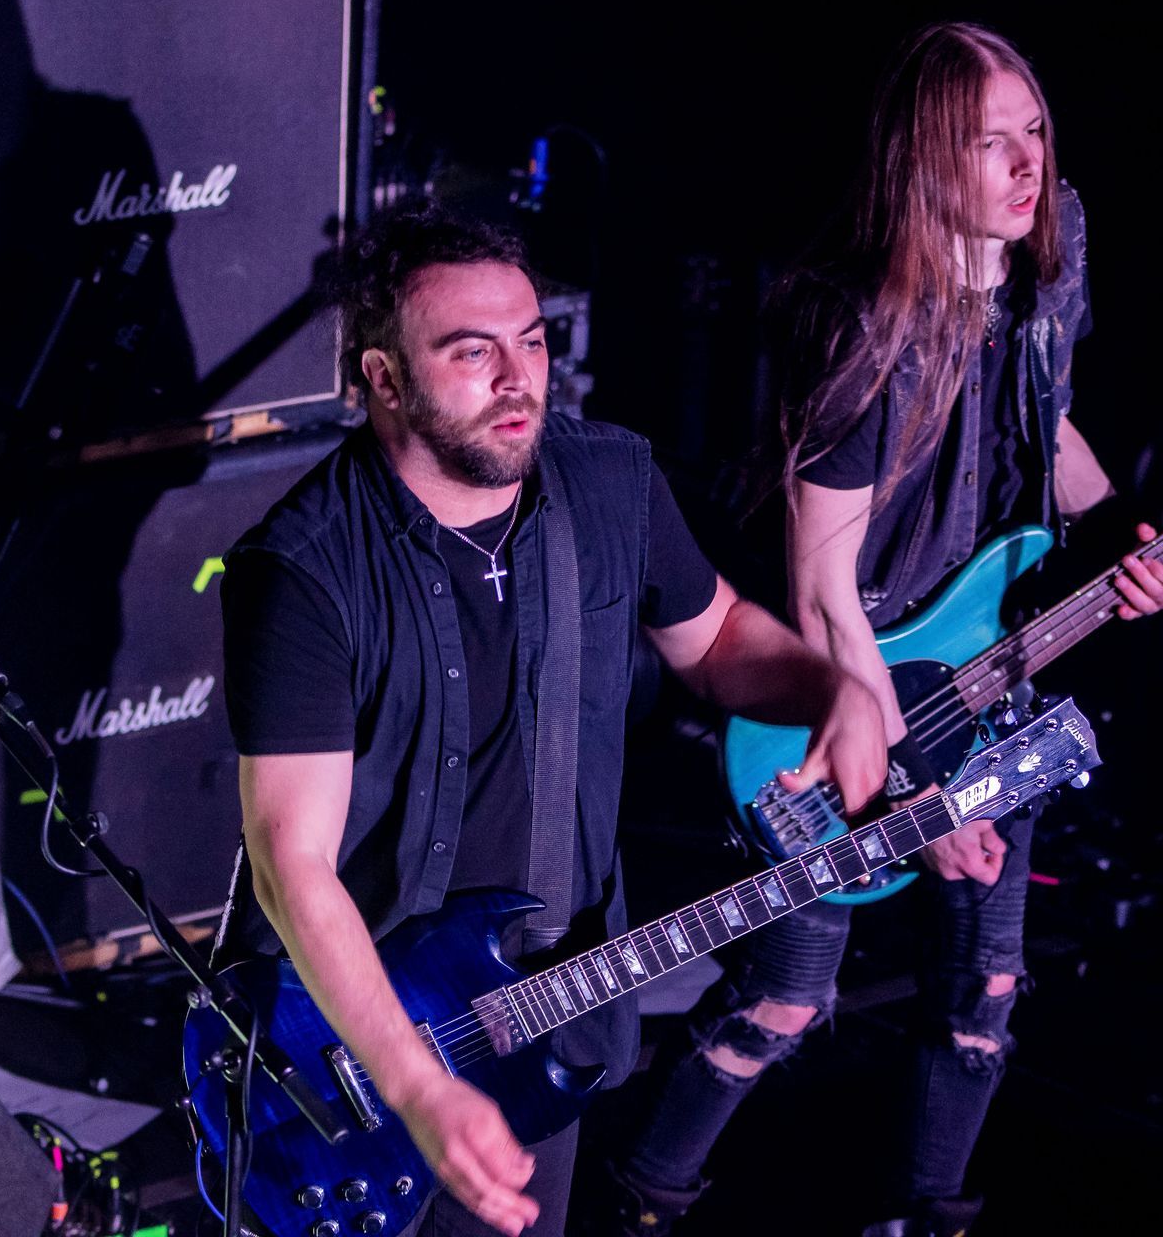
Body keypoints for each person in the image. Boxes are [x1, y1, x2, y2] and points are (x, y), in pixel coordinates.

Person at [597, 23, 1163, 1237]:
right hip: (836, 693)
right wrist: (916, 790)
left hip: (981, 663)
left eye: (1036, 131)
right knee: (784, 1001)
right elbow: (825, 590)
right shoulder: (863, 324)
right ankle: (632, 1203)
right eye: (990, 142)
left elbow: (1048, 427)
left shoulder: (1050, 258)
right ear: (926, 160)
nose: (1027, 164)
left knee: (988, 990)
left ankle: (926, 1218)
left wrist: (1122, 528)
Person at [217, 201, 890, 1237]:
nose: (517, 378)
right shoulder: (302, 569)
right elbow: (290, 865)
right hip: (354, 1047)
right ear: (383, 379)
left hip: (548, 1010)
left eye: (530, 342)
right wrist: (416, 1084)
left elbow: (715, 637)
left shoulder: (608, 479)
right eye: (472, 352)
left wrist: (834, 688)